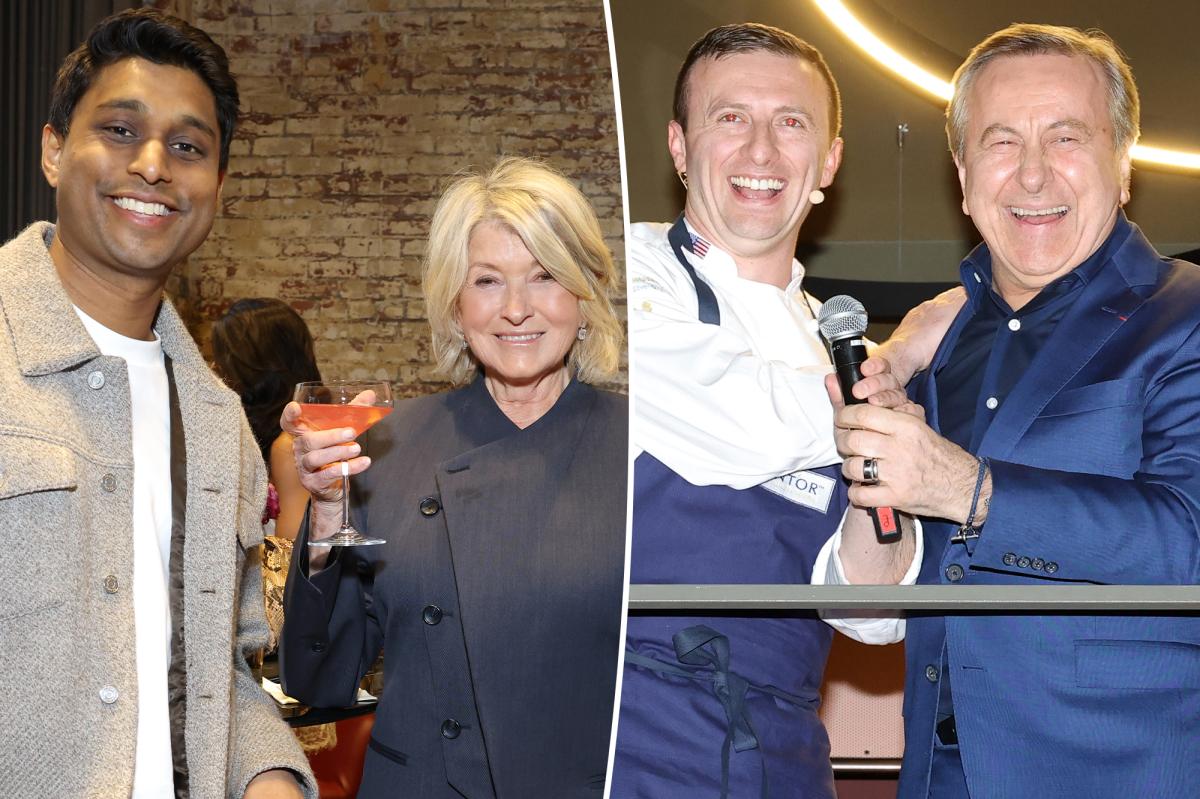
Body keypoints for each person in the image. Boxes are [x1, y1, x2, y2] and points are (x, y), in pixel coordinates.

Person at [824, 23, 1200, 798]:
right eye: (1001, 142)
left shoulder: (1186, 313)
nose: (1032, 174)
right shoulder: (937, 346)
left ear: (1123, 164)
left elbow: (1190, 535)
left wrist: (971, 490)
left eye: (1066, 137)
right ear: (964, 176)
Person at [612, 22, 956, 798]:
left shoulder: (834, 344)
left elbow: (871, 613)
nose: (762, 150)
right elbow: (740, 414)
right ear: (678, 146)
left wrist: (883, 472)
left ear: (828, 160)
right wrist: (895, 371)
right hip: (624, 734)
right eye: (731, 117)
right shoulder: (620, 273)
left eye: (791, 122)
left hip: (778, 753)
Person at [0, 9, 313, 798]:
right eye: (119, 130)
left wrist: (271, 777)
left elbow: (217, 677)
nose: (152, 165)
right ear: (53, 150)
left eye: (187, 147)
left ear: (217, 187)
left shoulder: (216, 423)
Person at [278, 156, 627, 797]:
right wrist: (327, 513)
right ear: (456, 306)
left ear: (585, 296)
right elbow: (318, 679)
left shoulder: (640, 452)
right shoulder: (386, 447)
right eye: (487, 281)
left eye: (545, 276)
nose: (516, 309)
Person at [212, 298, 323, 541]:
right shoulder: (289, 430)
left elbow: (290, 553)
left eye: (222, 359)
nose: (214, 368)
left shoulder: (289, 446)